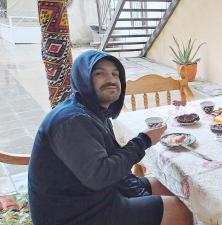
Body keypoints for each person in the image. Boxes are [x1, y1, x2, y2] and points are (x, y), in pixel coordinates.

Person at [28, 50, 193, 225]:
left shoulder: (94, 111)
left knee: (168, 187)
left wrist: (137, 190)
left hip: (91, 193)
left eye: (115, 74)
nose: (111, 80)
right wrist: (143, 140)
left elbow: (111, 163)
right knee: (177, 209)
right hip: (73, 213)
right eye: (100, 73)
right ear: (82, 78)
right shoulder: (73, 120)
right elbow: (100, 175)